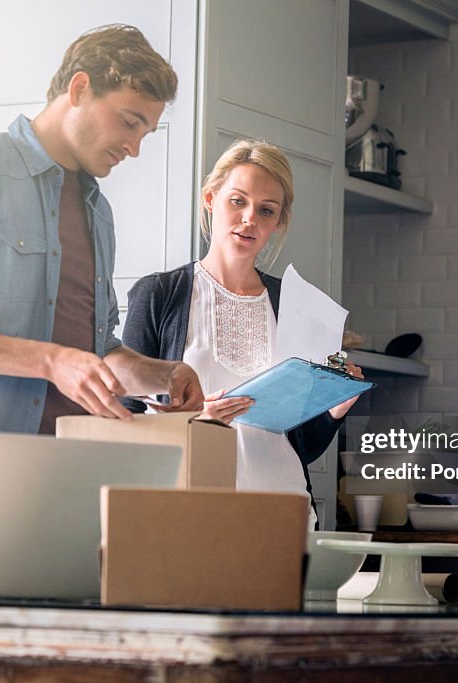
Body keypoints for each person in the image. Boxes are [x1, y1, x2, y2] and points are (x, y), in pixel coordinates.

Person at [0, 24, 204, 586]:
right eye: (130, 121)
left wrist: (162, 374)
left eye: (147, 132)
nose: (135, 146)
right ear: (79, 89)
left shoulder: (98, 211)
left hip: (66, 488)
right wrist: (50, 360)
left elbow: (98, 349)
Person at [122, 139, 363, 530]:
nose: (250, 217)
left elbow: (300, 444)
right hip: (187, 516)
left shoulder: (295, 305)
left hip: (284, 515)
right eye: (238, 201)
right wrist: (196, 422)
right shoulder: (159, 295)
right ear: (210, 198)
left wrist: (336, 408)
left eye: (266, 210)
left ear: (278, 222)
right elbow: (122, 422)